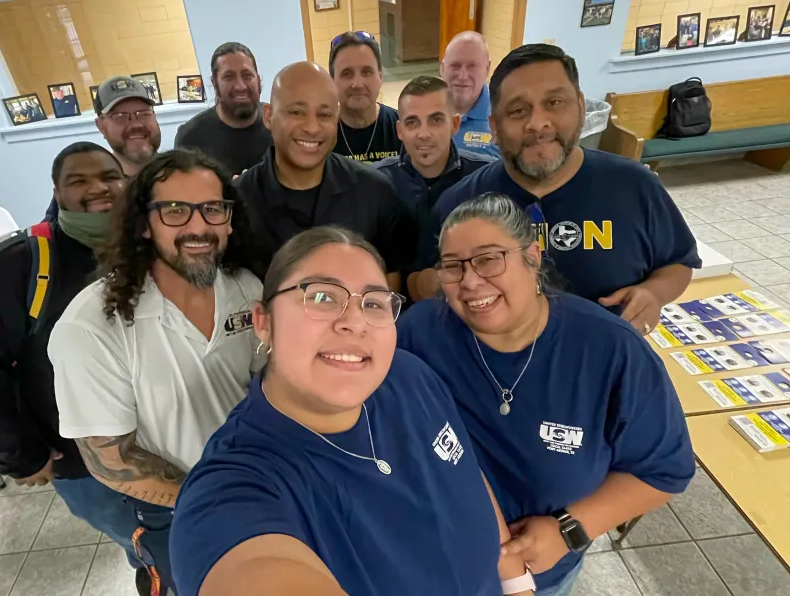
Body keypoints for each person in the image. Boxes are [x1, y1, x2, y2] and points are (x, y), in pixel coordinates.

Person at [169, 226, 535, 596]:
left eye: (374, 303)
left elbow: (465, 473)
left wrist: (517, 580)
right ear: (264, 322)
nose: (355, 322)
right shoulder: (235, 487)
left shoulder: (408, 376)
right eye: (322, 297)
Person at [397, 194, 695, 595]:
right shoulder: (419, 333)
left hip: (540, 575)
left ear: (533, 257)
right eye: (453, 266)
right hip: (431, 564)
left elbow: (664, 471)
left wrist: (568, 530)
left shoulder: (610, 350)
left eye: (489, 259)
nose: (469, 281)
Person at [49, 149, 263, 593]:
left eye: (213, 209)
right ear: (144, 224)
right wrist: (214, 499)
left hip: (261, 486)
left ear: (229, 219)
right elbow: (111, 460)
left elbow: (267, 386)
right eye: (175, 211)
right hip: (176, 511)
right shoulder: (91, 327)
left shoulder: (246, 288)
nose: (198, 227)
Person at [0, 142, 152, 595]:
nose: (98, 188)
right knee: (141, 540)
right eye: (79, 181)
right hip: (80, 459)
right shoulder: (17, 264)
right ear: (57, 193)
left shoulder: (150, 243)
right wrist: (17, 453)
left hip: (162, 439)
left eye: (109, 177)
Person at [416, 44, 699, 333]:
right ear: (495, 127)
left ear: (580, 107)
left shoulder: (635, 186)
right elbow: (420, 280)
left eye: (554, 102)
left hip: (609, 353)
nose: (538, 123)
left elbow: (678, 262)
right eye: (517, 110)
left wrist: (654, 293)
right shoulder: (460, 202)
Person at [232, 61, 415, 292]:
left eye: (325, 114)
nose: (312, 127)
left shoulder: (375, 192)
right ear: (268, 116)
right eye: (297, 112)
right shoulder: (238, 202)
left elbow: (390, 279)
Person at [372, 75, 495, 300]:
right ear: (399, 130)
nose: (424, 133)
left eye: (436, 120)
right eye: (412, 122)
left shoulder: (485, 177)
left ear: (454, 124)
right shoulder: (375, 182)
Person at [44, 75, 162, 221]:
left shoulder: (179, 173)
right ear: (101, 126)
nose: (136, 124)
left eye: (144, 114)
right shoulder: (86, 192)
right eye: (120, 116)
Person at [174, 42, 273, 176]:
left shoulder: (279, 123)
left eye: (247, 75)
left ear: (258, 79)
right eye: (228, 77)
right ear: (215, 83)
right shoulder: (190, 139)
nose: (240, 86)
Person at [329, 31, 401, 163]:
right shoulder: (321, 135)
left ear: (380, 77)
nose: (357, 84)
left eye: (367, 72)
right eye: (347, 73)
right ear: (332, 81)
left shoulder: (402, 128)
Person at [440, 31, 501, 159]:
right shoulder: (423, 110)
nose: (462, 76)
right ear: (442, 68)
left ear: (487, 68)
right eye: (455, 66)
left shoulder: (503, 116)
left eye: (472, 66)